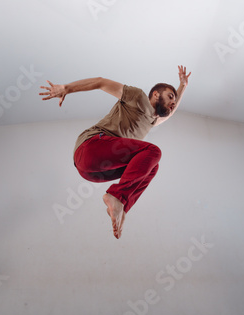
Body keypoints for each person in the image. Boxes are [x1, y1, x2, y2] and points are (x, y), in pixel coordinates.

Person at [39, 65, 191, 239]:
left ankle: (122, 206)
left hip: (93, 172)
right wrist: (66, 88)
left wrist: (183, 86)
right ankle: (117, 196)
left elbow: (169, 114)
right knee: (153, 151)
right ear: (156, 94)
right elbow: (101, 83)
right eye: (170, 96)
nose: (173, 103)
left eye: (174, 100)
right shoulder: (138, 97)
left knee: (152, 167)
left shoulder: (150, 122)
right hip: (90, 147)